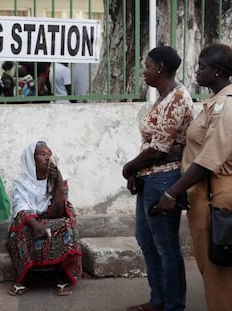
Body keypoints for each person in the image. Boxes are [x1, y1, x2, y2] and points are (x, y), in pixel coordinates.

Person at [155, 43, 232, 311]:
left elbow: (208, 161)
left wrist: (170, 193)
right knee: (211, 269)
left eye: (203, 67)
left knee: (217, 273)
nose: (197, 72)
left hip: (215, 196)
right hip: (205, 194)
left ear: (219, 72)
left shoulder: (225, 107)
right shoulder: (215, 103)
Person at [122, 46, 194, 311]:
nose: (145, 70)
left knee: (166, 247)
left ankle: (173, 305)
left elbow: (159, 149)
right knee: (146, 240)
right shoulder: (163, 97)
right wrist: (138, 172)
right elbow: (153, 145)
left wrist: (129, 168)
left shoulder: (177, 99)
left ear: (161, 68)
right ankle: (158, 300)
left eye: (148, 65)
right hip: (151, 178)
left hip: (165, 179)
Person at [6, 141, 82, 297]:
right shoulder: (21, 183)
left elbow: (58, 212)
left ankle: (61, 277)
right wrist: (36, 225)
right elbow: (20, 208)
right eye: (42, 154)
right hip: (29, 221)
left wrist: (58, 183)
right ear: (31, 159)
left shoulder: (59, 179)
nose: (47, 158)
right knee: (23, 231)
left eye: (49, 154)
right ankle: (24, 279)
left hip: (49, 219)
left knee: (66, 226)